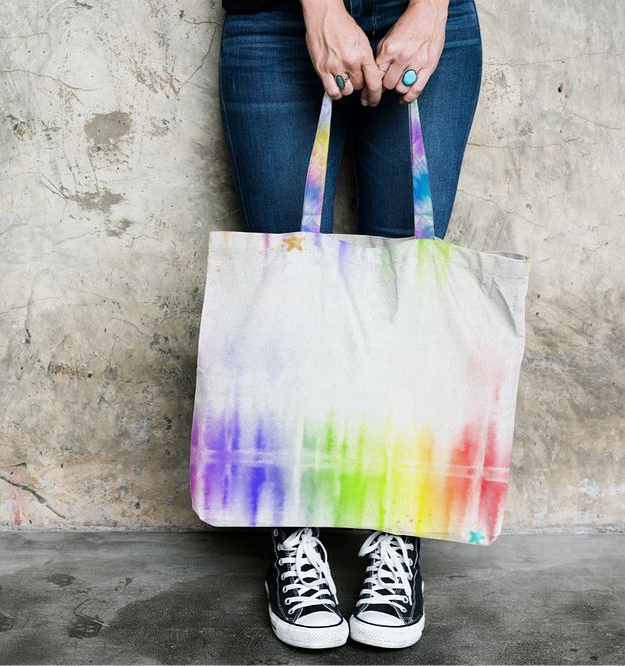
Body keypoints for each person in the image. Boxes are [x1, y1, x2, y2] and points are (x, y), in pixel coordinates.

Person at [217, 0, 483, 651]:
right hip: (275, 16)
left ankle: (394, 523)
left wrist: (429, 9)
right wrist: (321, 9)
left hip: (427, 17)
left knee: (405, 288)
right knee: (287, 285)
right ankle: (294, 523)